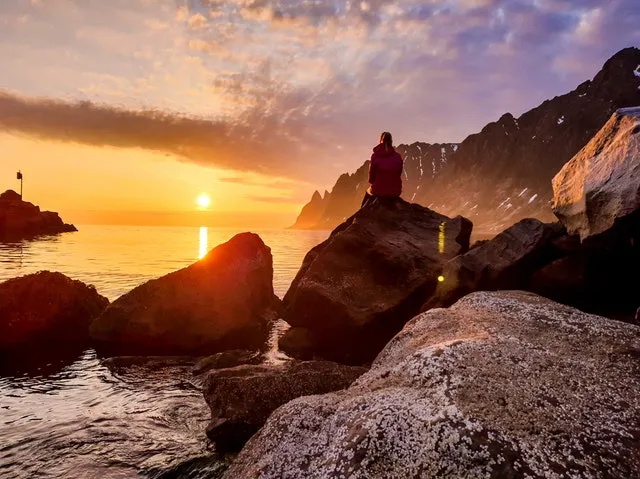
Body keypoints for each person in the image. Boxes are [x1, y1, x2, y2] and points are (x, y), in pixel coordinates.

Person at [361, 132, 403, 208]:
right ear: (391, 141)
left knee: (367, 193)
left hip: (378, 191)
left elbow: (371, 178)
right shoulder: (398, 157)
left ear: (380, 140)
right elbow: (399, 173)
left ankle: (362, 213)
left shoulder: (375, 156)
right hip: (395, 192)